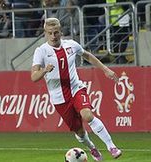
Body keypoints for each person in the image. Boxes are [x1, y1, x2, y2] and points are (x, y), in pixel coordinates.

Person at [31, 18, 122, 161]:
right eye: (50, 33)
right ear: (45, 33)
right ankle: (92, 148)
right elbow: (34, 77)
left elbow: (87, 55)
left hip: (76, 88)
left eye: (56, 32)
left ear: (61, 32)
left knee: (87, 115)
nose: (54, 36)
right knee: (79, 131)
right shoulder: (41, 51)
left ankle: (112, 146)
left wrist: (105, 69)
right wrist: (44, 70)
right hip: (59, 97)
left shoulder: (71, 45)